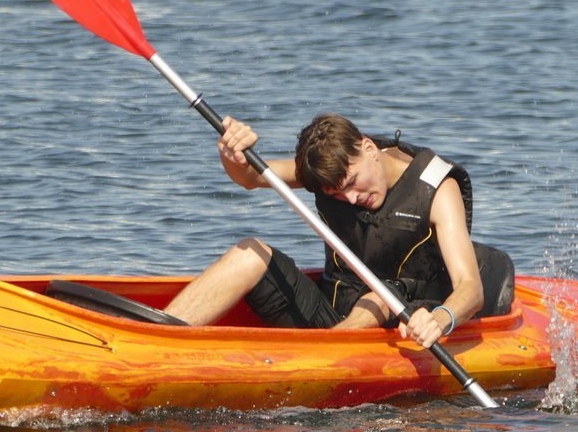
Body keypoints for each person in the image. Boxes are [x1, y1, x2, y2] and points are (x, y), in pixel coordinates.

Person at [161, 114, 513, 348]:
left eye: (352, 183)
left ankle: (321, 356)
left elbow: (471, 289)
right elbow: (253, 177)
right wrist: (231, 152)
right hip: (328, 316)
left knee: (381, 296)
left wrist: (441, 319)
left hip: (400, 325)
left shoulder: (438, 189)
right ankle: (162, 338)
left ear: (369, 149)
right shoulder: (328, 172)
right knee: (250, 252)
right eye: (336, 194)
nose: (351, 198)